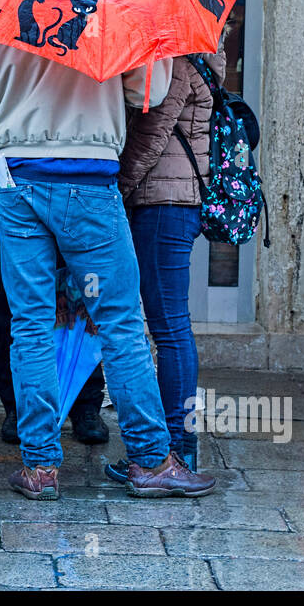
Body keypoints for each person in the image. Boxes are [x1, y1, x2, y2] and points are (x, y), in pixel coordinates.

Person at [0, 18, 215, 500]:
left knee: (30, 323)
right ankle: (150, 460)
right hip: (90, 177)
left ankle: (40, 468)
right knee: (121, 324)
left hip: (17, 177)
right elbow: (145, 90)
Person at [116, 38, 228, 478]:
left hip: (164, 203)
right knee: (171, 327)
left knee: (170, 329)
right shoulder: (202, 57)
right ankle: (176, 443)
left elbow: (153, 134)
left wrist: (116, 185)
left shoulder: (179, 60)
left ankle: (176, 446)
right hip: (176, 202)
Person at [0, 148, 108, 446]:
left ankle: (86, 401)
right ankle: (17, 403)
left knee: (81, 281)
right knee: (0, 284)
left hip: (63, 153)